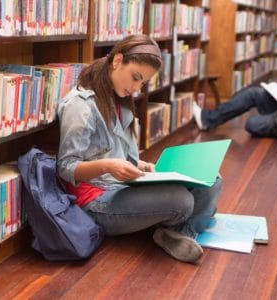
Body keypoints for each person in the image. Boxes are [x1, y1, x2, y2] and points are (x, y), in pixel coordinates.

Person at [56, 34, 223, 263]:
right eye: (135, 78)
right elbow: (65, 167)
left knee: (212, 178)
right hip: (96, 200)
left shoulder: (118, 97)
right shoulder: (80, 106)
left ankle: (176, 233)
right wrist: (108, 166)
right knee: (182, 201)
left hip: (123, 186)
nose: (136, 88)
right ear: (117, 61)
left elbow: (118, 152)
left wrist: (140, 165)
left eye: (142, 83)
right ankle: (177, 228)